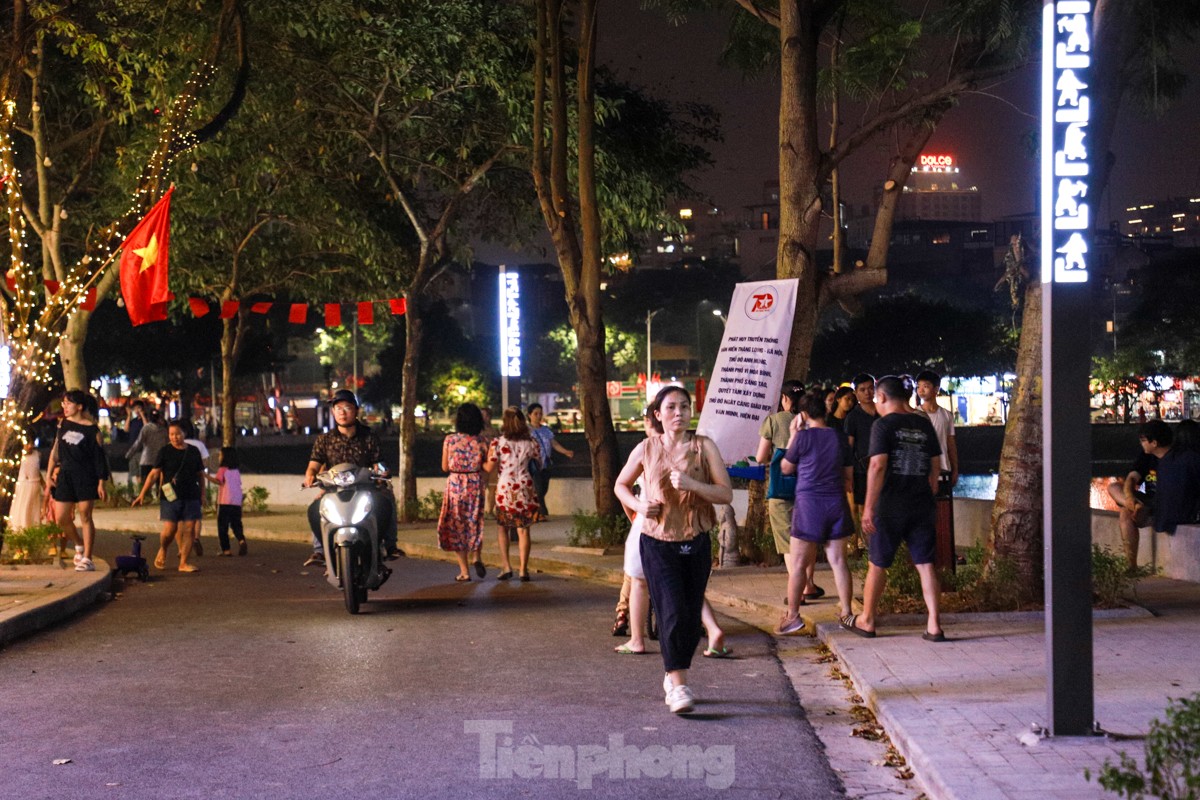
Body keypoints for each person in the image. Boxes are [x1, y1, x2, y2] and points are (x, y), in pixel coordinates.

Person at [614, 385, 732, 714]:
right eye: (671, 407)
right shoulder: (646, 448)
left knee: (690, 614)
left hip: (695, 538)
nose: (678, 412)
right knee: (671, 610)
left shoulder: (703, 447)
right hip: (656, 541)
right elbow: (619, 485)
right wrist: (639, 504)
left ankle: (671, 673)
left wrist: (694, 485)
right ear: (658, 414)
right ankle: (679, 684)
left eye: (684, 406)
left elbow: (725, 494)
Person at [847, 375, 944, 641]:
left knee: (877, 564)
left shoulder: (883, 425)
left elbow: (877, 465)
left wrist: (868, 507)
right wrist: (930, 491)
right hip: (922, 503)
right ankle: (934, 624)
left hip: (890, 505)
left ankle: (867, 620)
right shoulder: (923, 424)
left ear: (882, 397)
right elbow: (935, 464)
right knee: (925, 565)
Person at [777, 392, 855, 635]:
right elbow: (849, 477)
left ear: (803, 415)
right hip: (836, 503)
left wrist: (793, 435)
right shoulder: (839, 437)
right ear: (826, 411)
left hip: (809, 505)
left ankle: (792, 616)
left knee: (799, 564)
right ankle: (846, 613)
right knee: (839, 562)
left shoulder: (802, 438)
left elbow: (786, 468)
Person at [301, 389, 400, 567]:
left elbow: (379, 462)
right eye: (338, 408)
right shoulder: (324, 440)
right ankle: (321, 551)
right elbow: (314, 464)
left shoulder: (369, 437)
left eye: (347, 407)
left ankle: (388, 545)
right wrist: (310, 476)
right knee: (315, 510)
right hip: (334, 491)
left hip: (365, 489)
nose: (342, 412)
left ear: (356, 410)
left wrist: (382, 471)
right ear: (332, 412)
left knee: (385, 503)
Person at [756, 380, 824, 600]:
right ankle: (809, 585)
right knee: (808, 538)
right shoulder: (813, 420)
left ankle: (798, 592)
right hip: (809, 488)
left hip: (782, 490)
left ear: (784, 398)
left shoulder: (774, 421)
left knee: (788, 543)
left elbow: (760, 457)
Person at [45, 390, 110, 572]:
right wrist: (49, 475)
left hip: (86, 476)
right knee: (61, 517)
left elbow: (99, 459)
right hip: (65, 475)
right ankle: (79, 543)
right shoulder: (62, 424)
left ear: (79, 406)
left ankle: (87, 558)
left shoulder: (92, 430)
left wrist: (101, 482)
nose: (64, 407)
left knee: (85, 515)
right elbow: (55, 452)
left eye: (68, 403)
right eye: (64, 403)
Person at [132, 420, 205, 573]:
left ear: (184, 433)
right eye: (171, 434)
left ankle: (183, 562)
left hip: (191, 494)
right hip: (170, 496)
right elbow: (154, 474)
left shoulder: (193, 452)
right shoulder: (165, 451)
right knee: (170, 529)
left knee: (190, 529)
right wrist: (142, 494)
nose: (174, 437)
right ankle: (164, 548)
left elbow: (200, 475)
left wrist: (203, 494)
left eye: (177, 434)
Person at [484, 406, 541, 581]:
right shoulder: (531, 442)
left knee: (503, 527)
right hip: (524, 485)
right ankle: (523, 569)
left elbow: (489, 466)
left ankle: (506, 566)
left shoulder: (498, 443)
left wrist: (480, 461)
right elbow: (539, 462)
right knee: (523, 530)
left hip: (505, 488)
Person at [1106, 419, 1172, 571]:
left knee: (1124, 514)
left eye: (1143, 441)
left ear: (1154, 442)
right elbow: (1131, 479)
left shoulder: (1174, 460)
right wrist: (1130, 498)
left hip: (1164, 502)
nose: (1142, 444)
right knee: (1115, 487)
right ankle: (1135, 506)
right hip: (1147, 500)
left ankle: (1131, 565)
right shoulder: (1146, 457)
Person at [437, 403, 489, 582]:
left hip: (456, 484)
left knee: (457, 525)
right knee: (474, 522)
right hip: (475, 483)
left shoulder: (450, 440)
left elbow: (444, 466)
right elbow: (486, 466)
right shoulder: (481, 441)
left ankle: (464, 571)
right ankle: (477, 556)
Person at [843, 373, 878, 552]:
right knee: (864, 509)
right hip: (861, 471)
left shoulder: (882, 412)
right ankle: (866, 546)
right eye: (863, 390)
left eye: (870, 388)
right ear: (856, 393)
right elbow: (848, 447)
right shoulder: (853, 418)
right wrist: (847, 474)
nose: (867, 393)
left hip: (882, 470)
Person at [527, 403, 574, 521]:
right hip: (534, 464)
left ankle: (535, 512)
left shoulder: (545, 430)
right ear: (529, 415)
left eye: (540, 414)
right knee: (537, 488)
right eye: (535, 414)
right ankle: (542, 512)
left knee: (543, 488)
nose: (538, 416)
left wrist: (565, 452)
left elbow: (554, 444)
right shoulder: (527, 431)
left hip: (546, 464)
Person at [914, 370, 959, 494]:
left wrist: (955, 470)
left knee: (943, 509)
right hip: (922, 472)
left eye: (926, 386)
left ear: (936, 389)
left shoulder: (947, 415)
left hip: (944, 470)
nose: (921, 390)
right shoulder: (915, 415)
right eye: (918, 387)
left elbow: (951, 444)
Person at [212, 447, 247, 556]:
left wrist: (205, 476)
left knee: (223, 526)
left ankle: (226, 550)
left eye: (220, 455)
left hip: (225, 501)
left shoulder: (223, 469)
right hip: (236, 501)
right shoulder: (236, 471)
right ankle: (241, 540)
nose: (219, 457)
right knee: (236, 523)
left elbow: (218, 481)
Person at [183, 421, 211, 556]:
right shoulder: (199, 445)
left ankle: (183, 544)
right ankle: (196, 538)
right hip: (196, 482)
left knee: (181, 516)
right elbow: (205, 462)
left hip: (181, 483)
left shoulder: (175, 445)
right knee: (196, 515)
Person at [126, 409, 168, 498]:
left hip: (147, 459)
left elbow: (138, 442)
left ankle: (145, 498)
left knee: (146, 482)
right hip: (160, 459)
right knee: (159, 482)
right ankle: (159, 497)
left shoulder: (146, 428)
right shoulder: (164, 430)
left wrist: (129, 454)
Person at [11, 440, 44, 531]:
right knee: (22, 509)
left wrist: (43, 484)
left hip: (34, 485)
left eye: (32, 443)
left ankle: (32, 530)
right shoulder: (18, 455)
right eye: (28, 443)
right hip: (22, 485)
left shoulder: (37, 454)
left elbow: (37, 471)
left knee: (32, 510)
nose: (30, 446)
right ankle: (20, 530)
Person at [479, 408, 499, 518]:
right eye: (482, 415)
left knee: (493, 487)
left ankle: (490, 511)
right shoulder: (476, 431)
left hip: (493, 462)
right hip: (481, 462)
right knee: (480, 487)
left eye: (486, 415)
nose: (484, 418)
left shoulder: (495, 431)